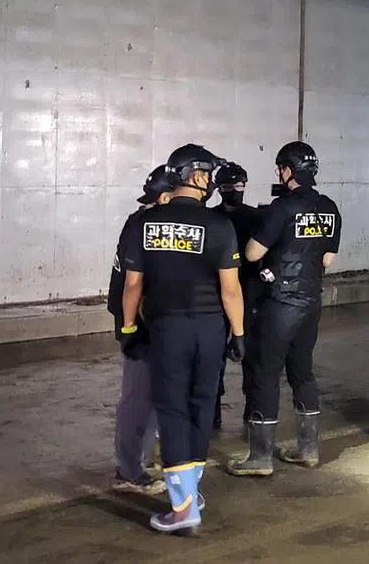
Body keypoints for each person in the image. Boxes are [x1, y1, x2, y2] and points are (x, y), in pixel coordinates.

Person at [121, 144, 248, 534]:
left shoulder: (146, 223)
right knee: (200, 407)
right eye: (206, 174)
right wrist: (239, 334)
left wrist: (128, 328)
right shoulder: (220, 226)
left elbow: (132, 284)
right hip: (210, 329)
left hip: (168, 329)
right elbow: (231, 290)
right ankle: (191, 489)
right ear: (194, 177)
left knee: (172, 409)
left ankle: (184, 508)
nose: (209, 181)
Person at [228, 141, 341, 477]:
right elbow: (328, 259)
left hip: (280, 302)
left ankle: (260, 458)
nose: (279, 173)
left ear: (289, 170)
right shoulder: (329, 207)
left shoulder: (282, 208)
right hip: (311, 300)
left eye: (281, 167)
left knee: (265, 372)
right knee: (302, 372)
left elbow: (251, 253)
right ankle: (308, 449)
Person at [107, 165, 176, 495]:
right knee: (138, 399)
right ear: (165, 197)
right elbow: (134, 284)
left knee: (150, 396)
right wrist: (131, 327)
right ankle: (130, 470)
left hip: (141, 321)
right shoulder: (144, 227)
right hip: (137, 323)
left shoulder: (140, 222)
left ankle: (141, 461)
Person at [210, 162, 262, 430]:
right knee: (214, 356)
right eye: (231, 186)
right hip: (220, 294)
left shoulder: (254, 217)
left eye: (240, 185)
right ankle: (214, 409)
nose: (236, 191)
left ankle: (253, 405)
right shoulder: (212, 219)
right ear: (220, 188)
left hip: (249, 292)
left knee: (250, 354)